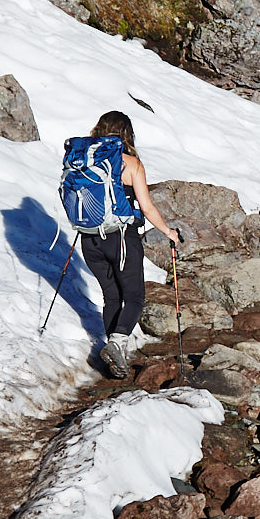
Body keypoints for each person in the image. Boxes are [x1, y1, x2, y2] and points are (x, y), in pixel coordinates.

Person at [79, 110, 180, 378]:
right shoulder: (131, 164)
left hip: (90, 239)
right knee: (134, 297)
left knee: (112, 296)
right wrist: (168, 231)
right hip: (122, 238)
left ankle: (115, 356)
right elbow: (145, 206)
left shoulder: (84, 159)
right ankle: (116, 344)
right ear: (127, 134)